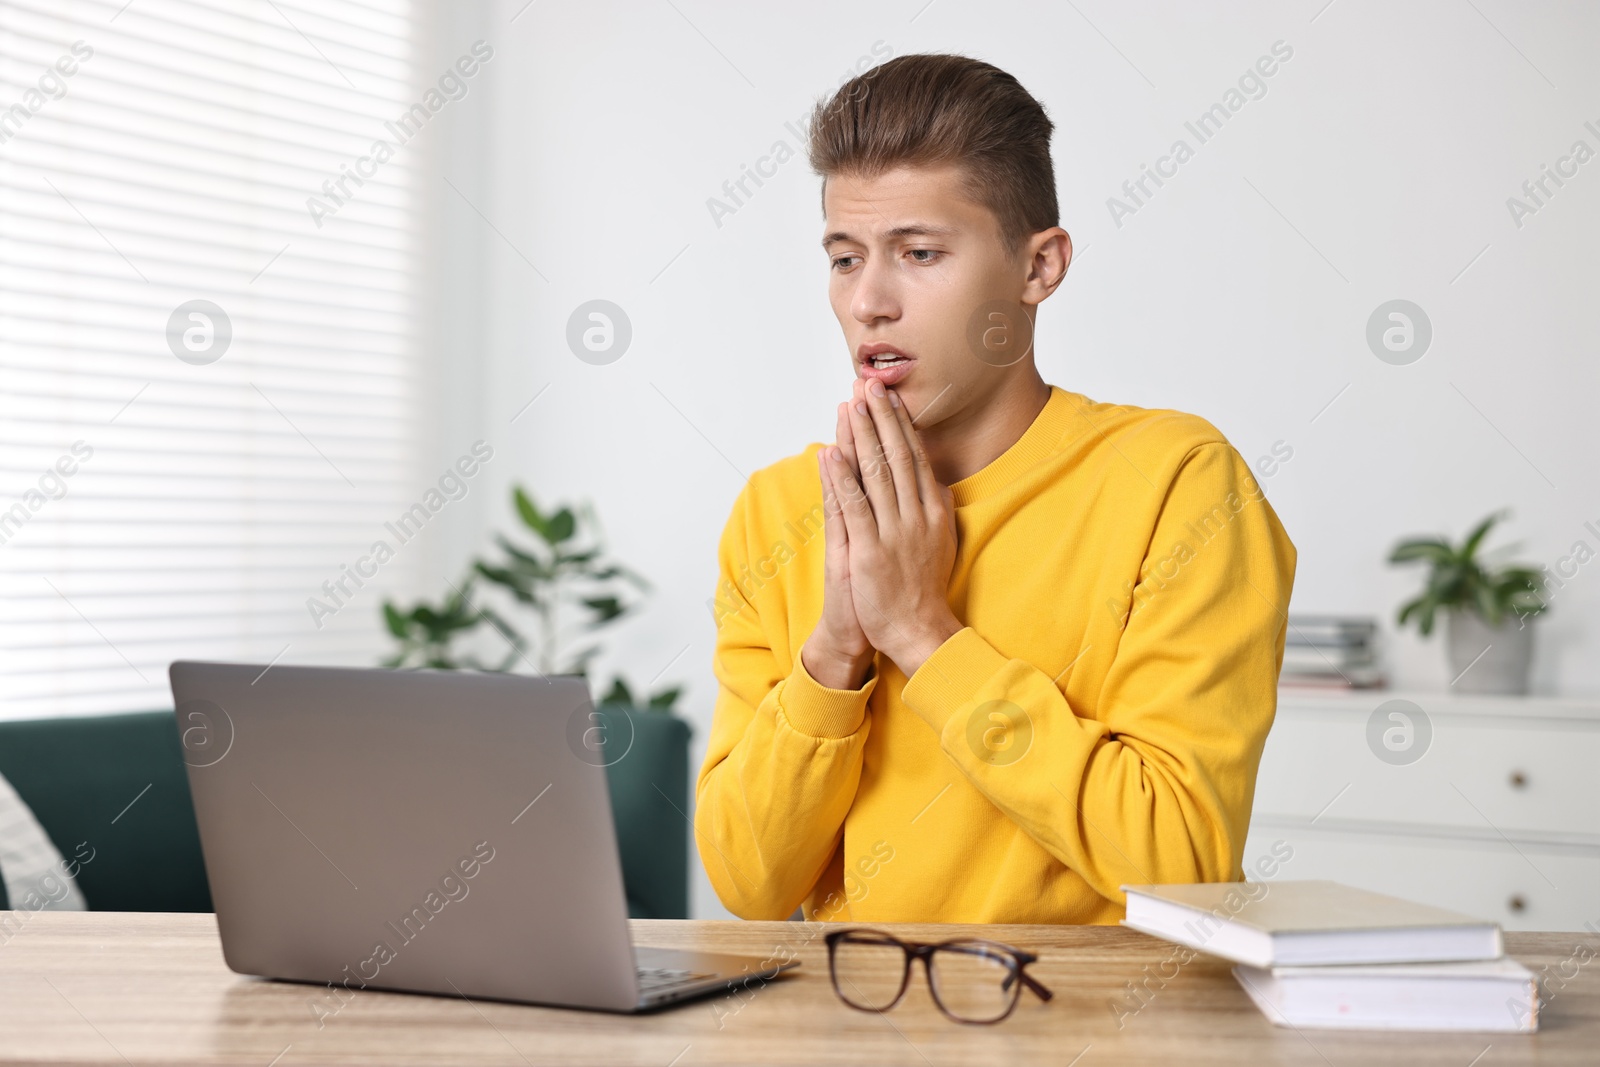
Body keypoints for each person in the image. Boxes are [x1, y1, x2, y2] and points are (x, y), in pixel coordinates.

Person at [696, 53, 1297, 925]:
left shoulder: (1179, 484)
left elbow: (1184, 862)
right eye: (843, 257)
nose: (869, 301)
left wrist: (921, 632)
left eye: (920, 252)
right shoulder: (777, 511)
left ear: (1039, 268)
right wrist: (835, 650)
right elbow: (750, 883)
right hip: (854, 1027)